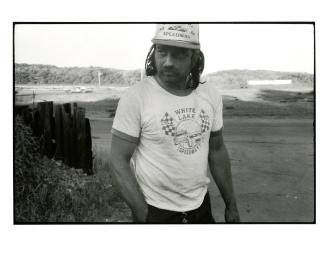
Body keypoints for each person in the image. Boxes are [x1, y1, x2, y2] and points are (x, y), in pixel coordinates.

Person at [109, 24, 240, 223]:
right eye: (162, 52)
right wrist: (144, 214)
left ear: (194, 57)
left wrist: (231, 205)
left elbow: (217, 150)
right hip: (155, 209)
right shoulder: (136, 97)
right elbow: (118, 161)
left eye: (178, 54)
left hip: (200, 207)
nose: (168, 62)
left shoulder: (210, 94)